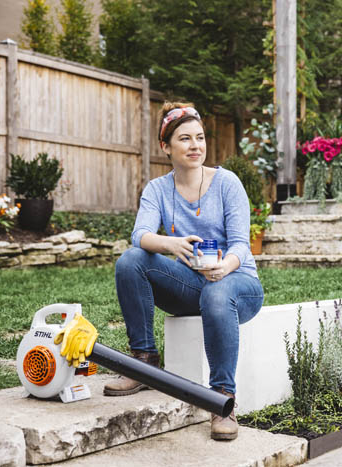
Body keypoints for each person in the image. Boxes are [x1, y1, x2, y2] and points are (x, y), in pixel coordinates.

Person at [103, 102, 264, 441]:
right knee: (131, 260)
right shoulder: (157, 189)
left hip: (239, 286)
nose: (195, 146)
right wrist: (172, 244)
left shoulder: (227, 183)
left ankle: (222, 400)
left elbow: (241, 245)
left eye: (200, 138)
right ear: (166, 147)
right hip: (191, 286)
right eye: (185, 139)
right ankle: (143, 361)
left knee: (217, 291)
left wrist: (224, 266)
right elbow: (140, 235)